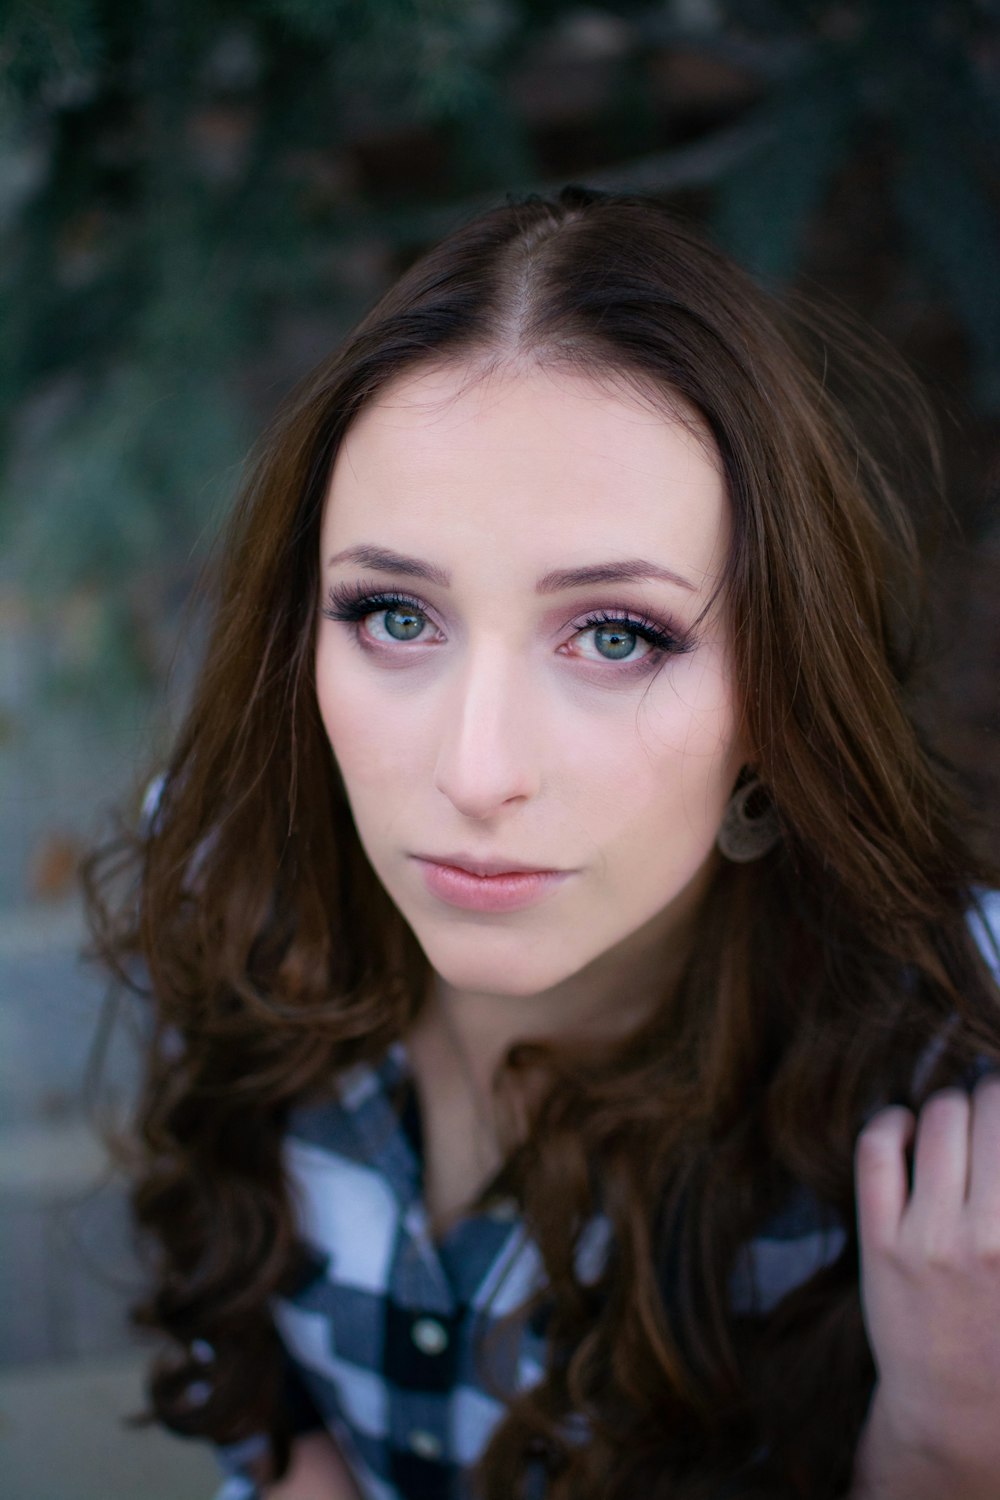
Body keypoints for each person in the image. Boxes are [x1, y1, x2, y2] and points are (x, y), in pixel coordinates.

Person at [85, 187, 1000, 1500]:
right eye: (395, 615)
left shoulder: (948, 1072)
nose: (474, 771)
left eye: (617, 635)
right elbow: (262, 1390)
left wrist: (948, 1445)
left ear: (780, 690)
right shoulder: (230, 873)